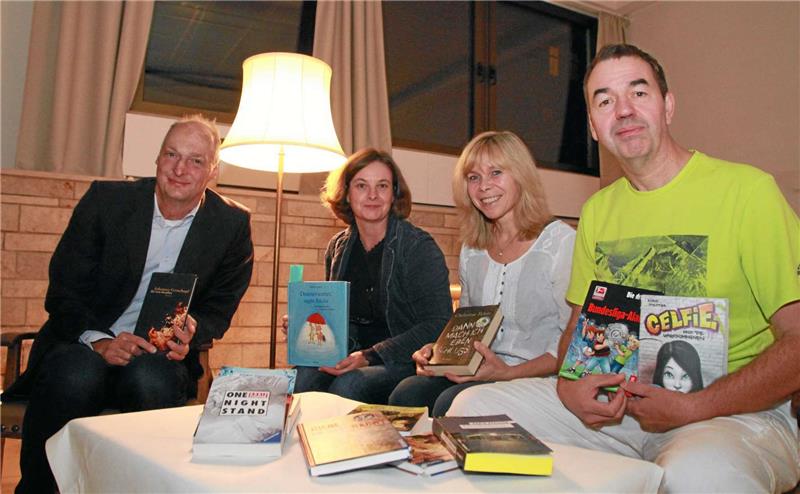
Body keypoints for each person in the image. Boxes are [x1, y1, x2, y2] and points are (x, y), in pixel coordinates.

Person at [448, 44, 800, 493]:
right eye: (605, 100)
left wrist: (694, 408)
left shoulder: (748, 193)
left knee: (697, 474)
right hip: (622, 409)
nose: (624, 111)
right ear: (594, 127)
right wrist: (569, 387)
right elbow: (579, 329)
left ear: (668, 105)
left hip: (733, 414)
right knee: (471, 409)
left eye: (639, 92)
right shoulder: (597, 211)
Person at [4, 115, 255, 493]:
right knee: (77, 374)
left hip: (159, 355)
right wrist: (101, 342)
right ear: (156, 159)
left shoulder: (231, 225)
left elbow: (220, 306)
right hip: (84, 342)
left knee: (149, 378)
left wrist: (192, 330)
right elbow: (64, 291)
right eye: (171, 154)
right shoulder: (106, 202)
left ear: (213, 170)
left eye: (195, 160)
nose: (180, 168)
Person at [388, 131, 575, 416]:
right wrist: (439, 353)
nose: (483, 186)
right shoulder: (472, 250)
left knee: (448, 403)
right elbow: (468, 326)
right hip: (481, 372)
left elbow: (571, 344)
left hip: (537, 379)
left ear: (521, 176)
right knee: (408, 392)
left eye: (496, 173)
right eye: (473, 177)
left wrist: (508, 372)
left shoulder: (560, 243)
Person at [288, 148, 453, 404]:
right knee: (303, 378)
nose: (373, 195)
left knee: (350, 385)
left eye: (383, 186)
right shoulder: (338, 247)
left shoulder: (418, 247)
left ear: (394, 193)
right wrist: (305, 324)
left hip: (403, 358)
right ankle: (310, 443)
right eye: (362, 185)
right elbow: (335, 319)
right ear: (347, 192)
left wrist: (369, 355)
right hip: (350, 352)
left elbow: (438, 323)